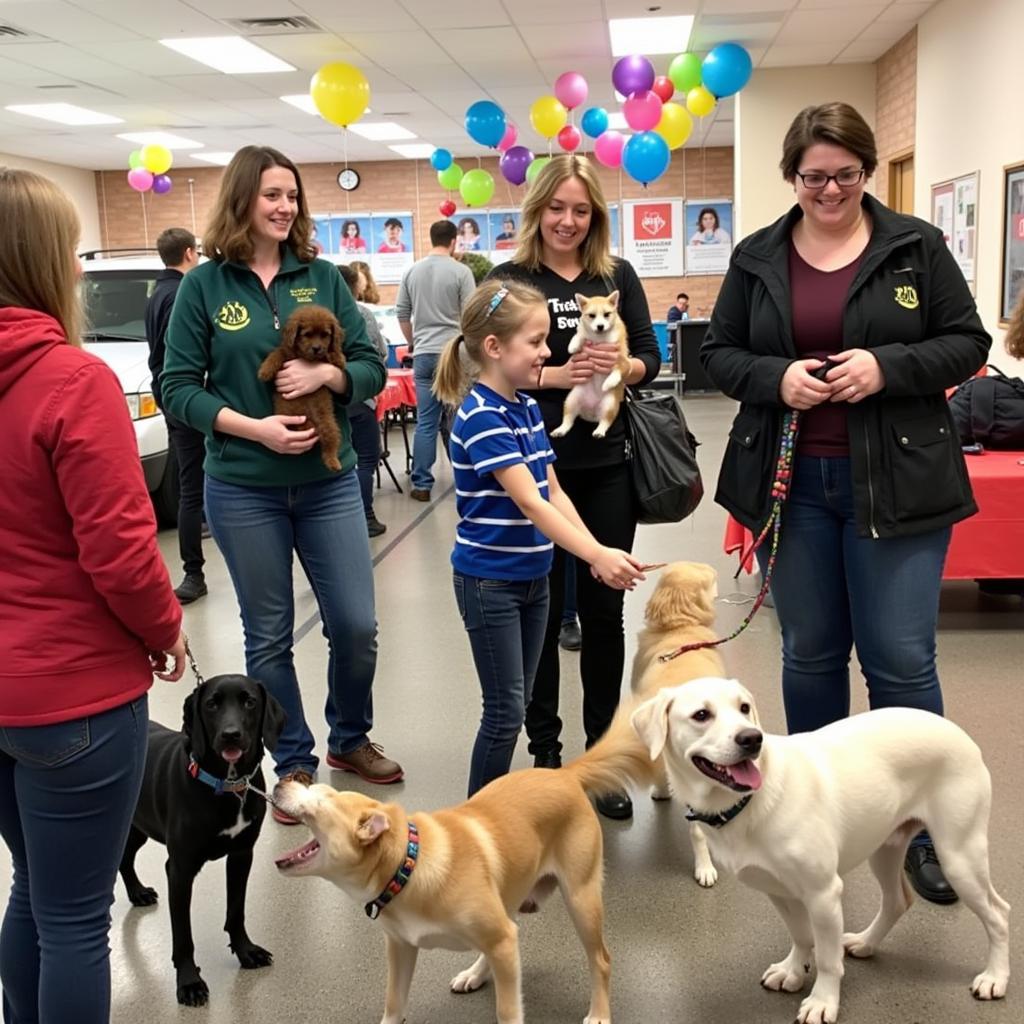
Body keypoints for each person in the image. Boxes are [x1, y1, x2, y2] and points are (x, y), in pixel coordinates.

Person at [700, 102, 991, 904]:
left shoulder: (914, 246)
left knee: (901, 660)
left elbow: (969, 342)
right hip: (794, 490)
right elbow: (718, 354)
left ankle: (924, 829)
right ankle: (802, 816)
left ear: (867, 170)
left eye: (846, 175)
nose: (829, 191)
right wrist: (776, 378)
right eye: (813, 177)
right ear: (791, 176)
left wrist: (887, 367)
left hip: (898, 485)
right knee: (811, 655)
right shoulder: (758, 255)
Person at [162, 146, 403, 824]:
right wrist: (251, 427)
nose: (284, 206)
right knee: (267, 635)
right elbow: (177, 388)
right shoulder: (203, 289)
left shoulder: (322, 277)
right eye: (271, 194)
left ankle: (349, 739)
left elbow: (371, 366)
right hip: (242, 486)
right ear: (241, 200)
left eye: (291, 195)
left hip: (327, 483)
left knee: (356, 626)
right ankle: (292, 756)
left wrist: (331, 378)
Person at [0, 166, 186, 1024]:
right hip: (69, 695)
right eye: (71, 252)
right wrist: (164, 629)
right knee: (76, 915)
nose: (79, 270)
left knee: (32, 887)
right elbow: (118, 550)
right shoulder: (73, 383)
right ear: (40, 261)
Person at [489, 154, 662, 820]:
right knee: (538, 615)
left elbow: (651, 353)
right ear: (537, 210)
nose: (568, 221)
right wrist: (553, 378)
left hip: (606, 466)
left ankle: (599, 760)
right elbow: (485, 362)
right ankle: (547, 759)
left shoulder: (615, 276)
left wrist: (622, 365)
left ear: (595, 216)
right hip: (528, 469)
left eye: (581, 210)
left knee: (602, 613)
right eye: (557, 208)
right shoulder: (511, 279)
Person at [433, 279, 645, 795]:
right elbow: (529, 500)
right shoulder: (481, 415)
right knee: (505, 712)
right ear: (493, 347)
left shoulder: (526, 408)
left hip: (533, 581)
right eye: (536, 342)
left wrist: (595, 551)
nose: (547, 352)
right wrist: (594, 553)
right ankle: (476, 822)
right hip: (491, 585)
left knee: (519, 697)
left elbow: (553, 489)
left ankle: (495, 817)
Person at [145, 226, 207, 604]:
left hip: (166, 396)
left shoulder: (156, 293)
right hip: (185, 400)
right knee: (192, 487)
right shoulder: (182, 292)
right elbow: (180, 356)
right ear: (188, 252)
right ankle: (193, 573)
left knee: (190, 483)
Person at [396, 219, 475, 501]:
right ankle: (466, 479)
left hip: (424, 354)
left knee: (426, 422)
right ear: (454, 241)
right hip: (454, 354)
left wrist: (414, 342)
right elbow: (471, 316)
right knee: (458, 419)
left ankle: (421, 484)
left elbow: (402, 313)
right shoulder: (461, 272)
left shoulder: (412, 272)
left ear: (431, 239)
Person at [338, 261, 388, 537]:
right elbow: (378, 354)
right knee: (366, 460)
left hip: (328, 404)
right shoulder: (361, 313)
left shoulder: (317, 312)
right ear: (354, 286)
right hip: (359, 399)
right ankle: (365, 516)